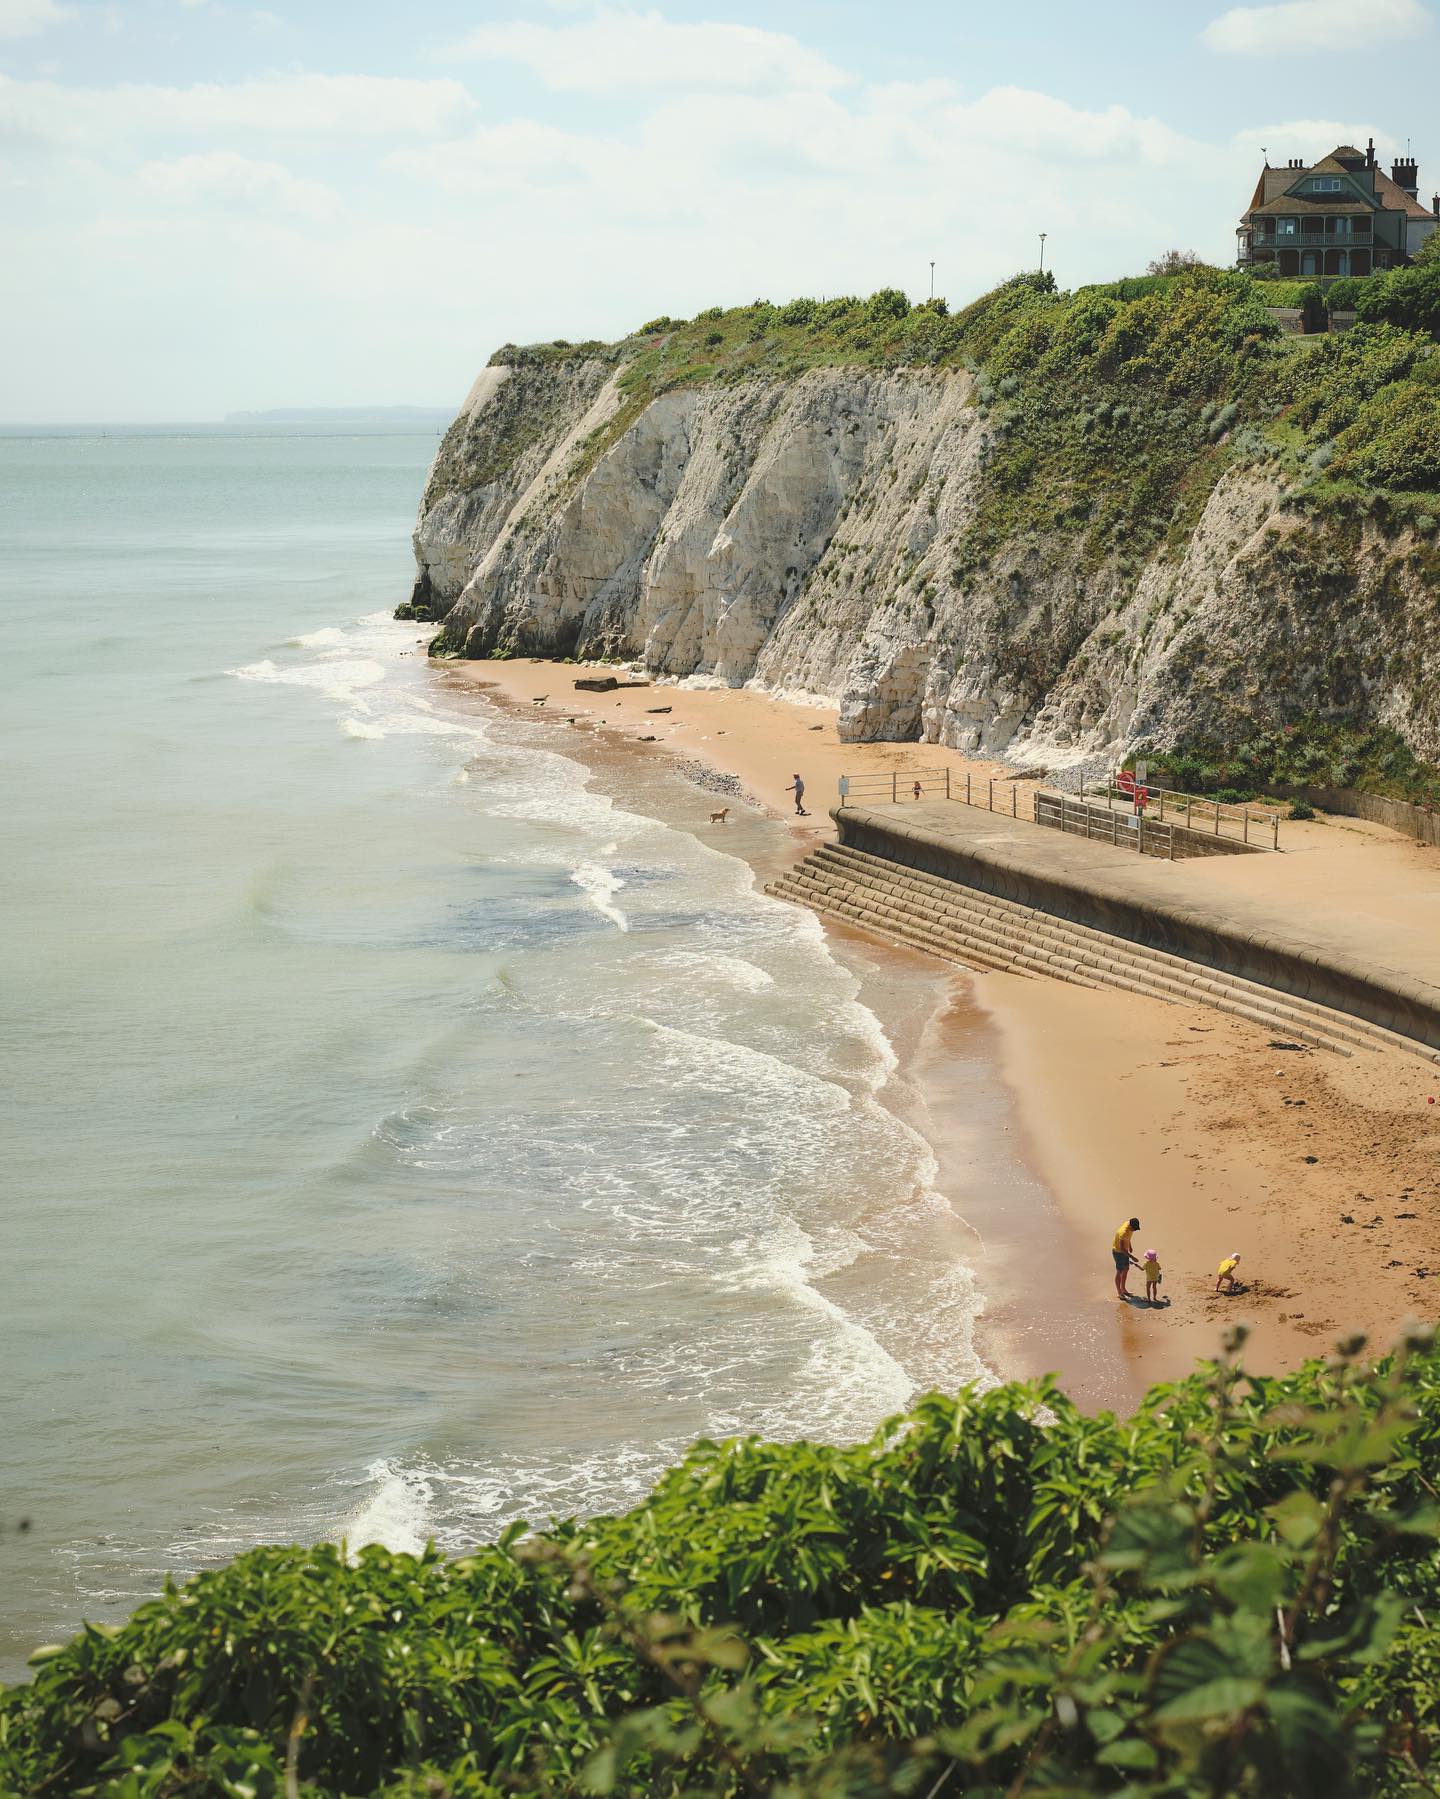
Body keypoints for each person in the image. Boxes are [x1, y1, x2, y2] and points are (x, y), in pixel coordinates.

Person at [1112, 1217, 1141, 1298]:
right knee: (1119, 1271)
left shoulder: (1129, 1224)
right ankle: (1119, 1292)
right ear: (1130, 1226)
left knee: (1126, 1268)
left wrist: (1130, 1246)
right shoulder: (1123, 1232)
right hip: (1118, 1252)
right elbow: (1122, 1249)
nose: (1134, 1230)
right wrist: (1133, 1257)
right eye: (1134, 1229)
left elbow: (1128, 1238)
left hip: (1125, 1251)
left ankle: (1123, 1288)